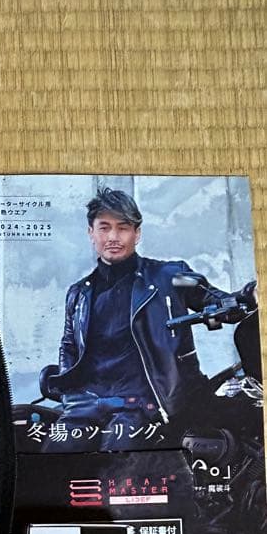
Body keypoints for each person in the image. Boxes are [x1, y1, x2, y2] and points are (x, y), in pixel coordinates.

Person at [42, 186, 257, 450]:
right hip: (87, 406)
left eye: (122, 228)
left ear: (137, 233)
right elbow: (69, 345)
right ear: (91, 233)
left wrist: (251, 295)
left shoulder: (169, 276)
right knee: (52, 457)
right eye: (104, 228)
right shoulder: (78, 294)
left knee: (118, 461)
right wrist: (70, 395)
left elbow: (219, 301)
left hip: (145, 403)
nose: (113, 237)